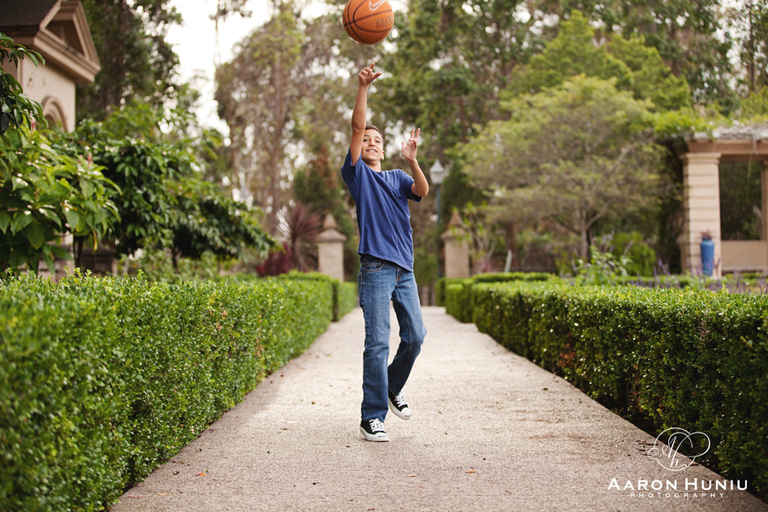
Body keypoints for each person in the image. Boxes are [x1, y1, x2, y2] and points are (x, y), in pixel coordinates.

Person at [341, 63, 429, 442]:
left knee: (416, 336)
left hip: (404, 270)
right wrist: (362, 87)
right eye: (366, 140)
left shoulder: (396, 177)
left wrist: (412, 160)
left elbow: (423, 192)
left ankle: (392, 387)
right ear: (359, 149)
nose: (371, 142)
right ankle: (371, 416)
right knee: (377, 342)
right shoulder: (358, 176)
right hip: (376, 268)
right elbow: (357, 126)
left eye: (377, 139)